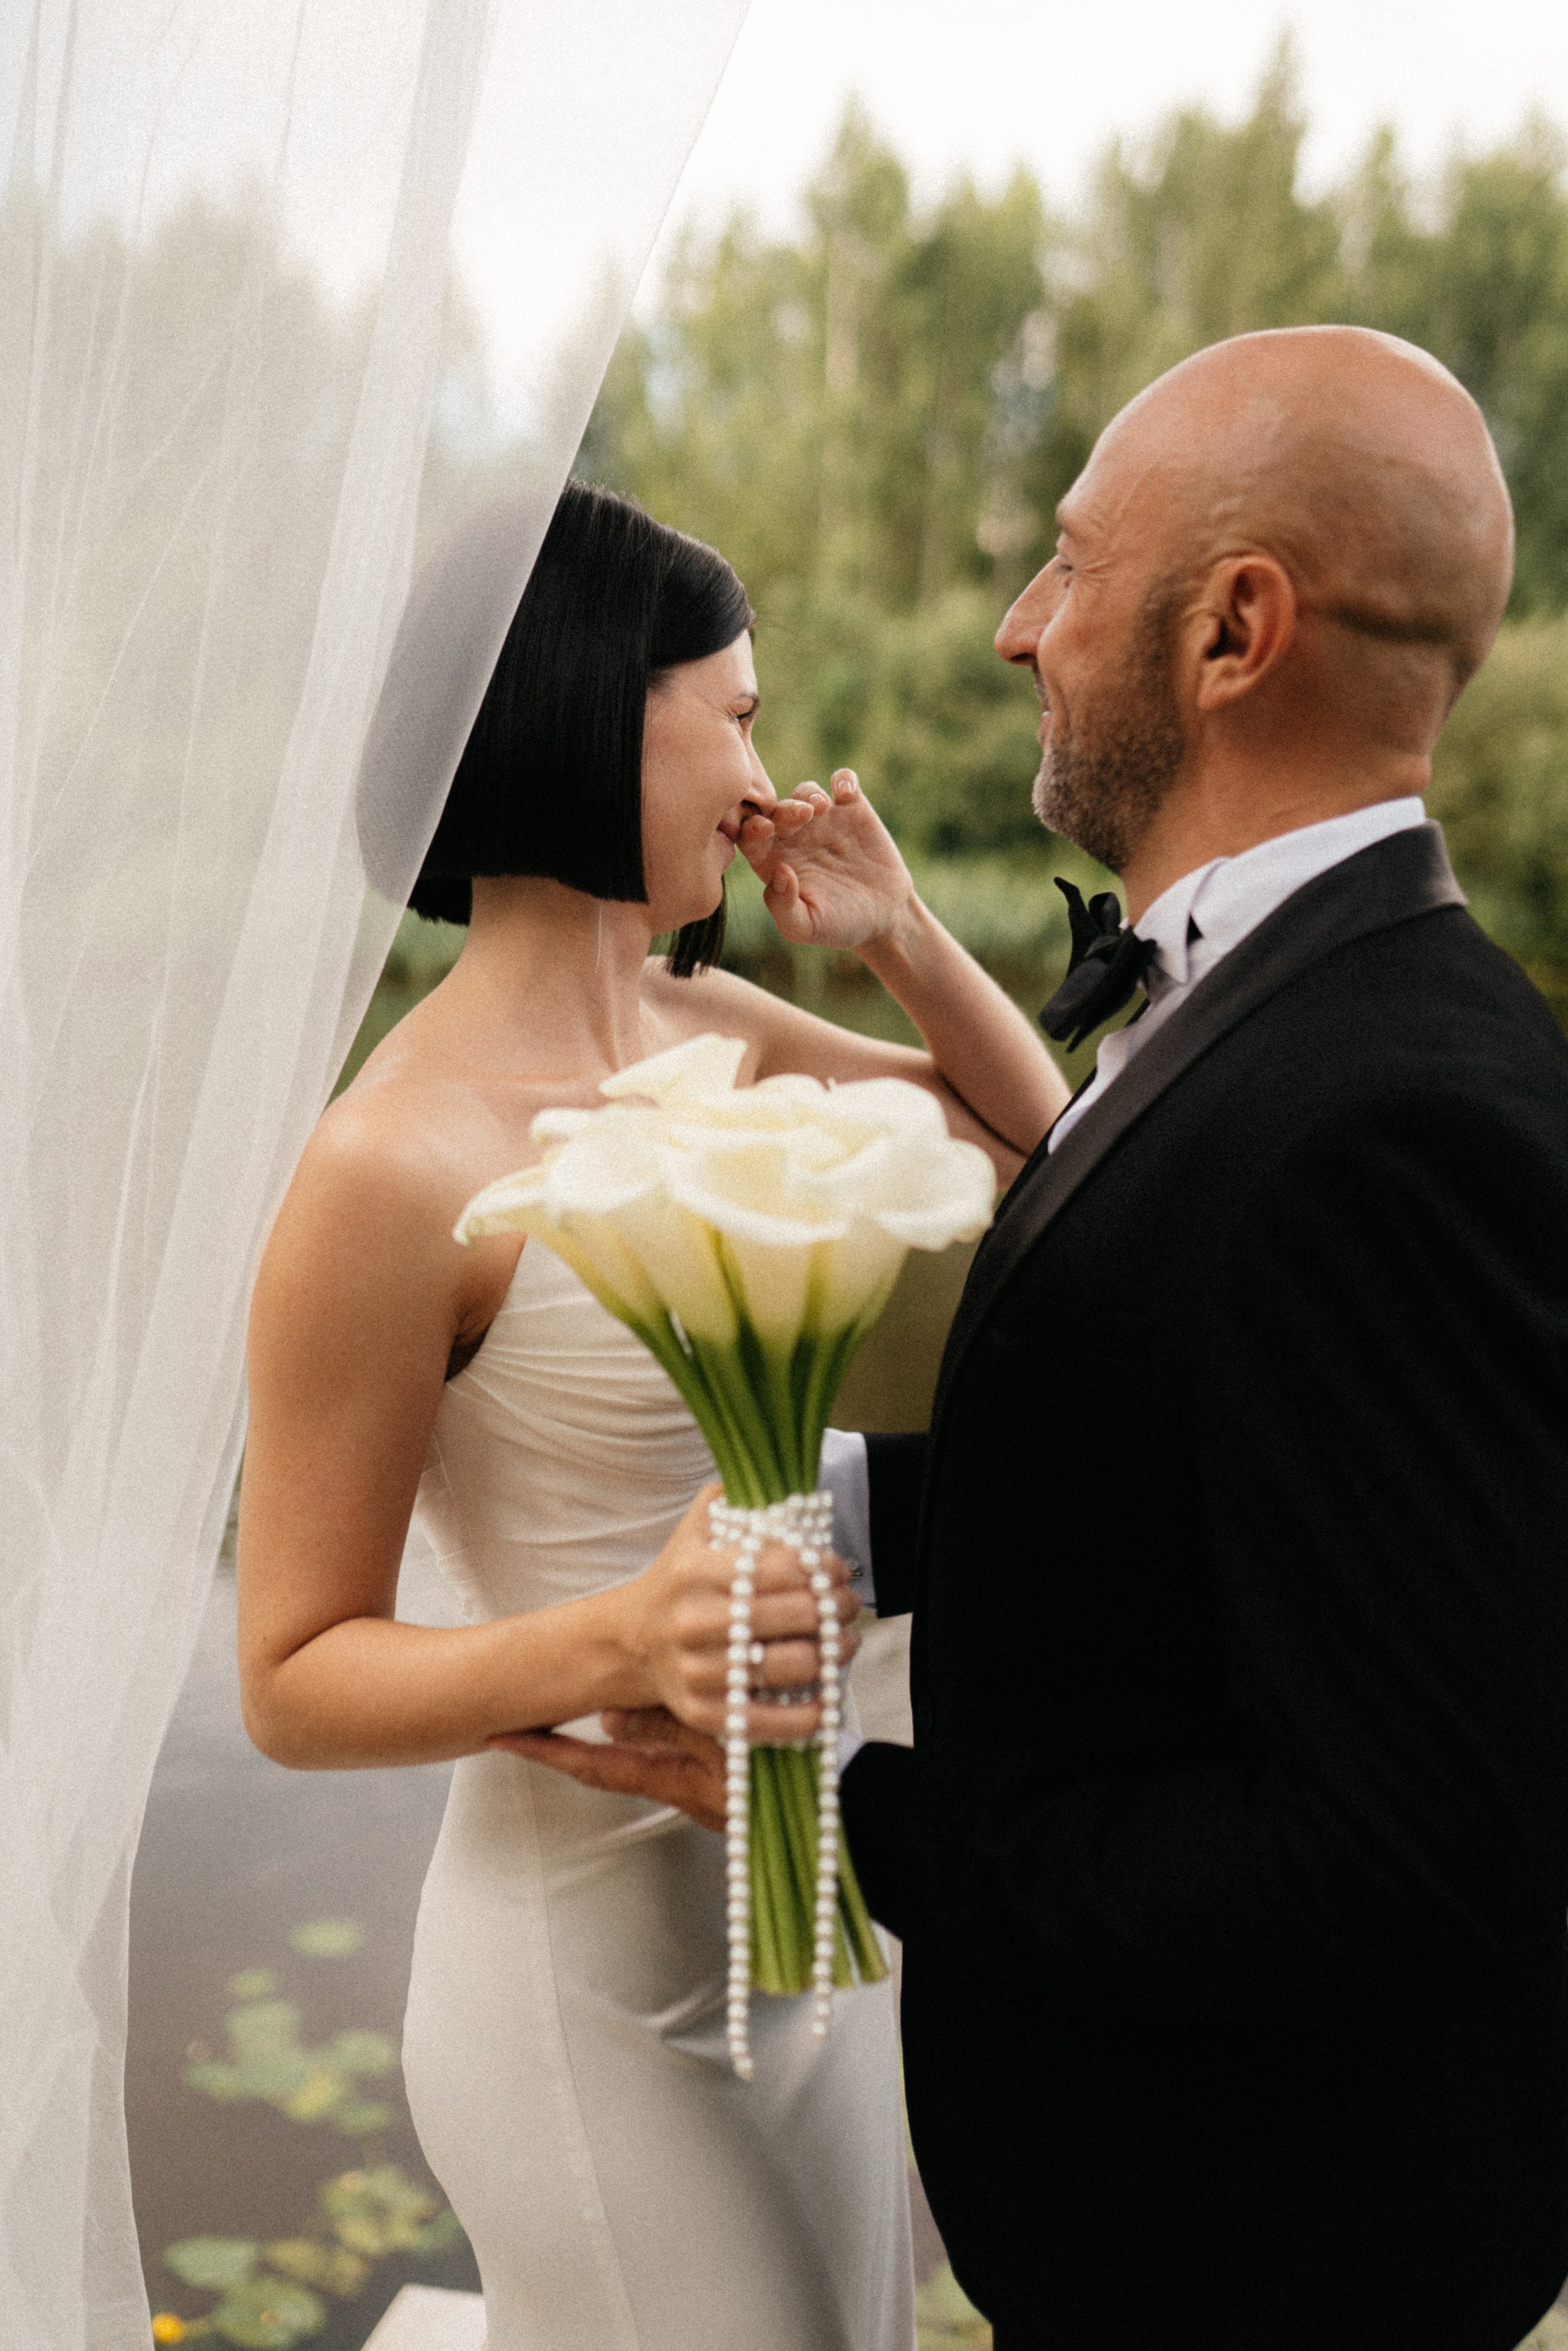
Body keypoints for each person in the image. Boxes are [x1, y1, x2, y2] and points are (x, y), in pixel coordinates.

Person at [539, 329, 1568, 2350]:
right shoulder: (1287, 1003)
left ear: (1233, 630)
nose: (1016, 628)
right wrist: (798, 1508)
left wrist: (859, 1814)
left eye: (1073, 562)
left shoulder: (1402, 1118)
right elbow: (1166, 1445)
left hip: (1268, 2261)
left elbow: (1403, 1852)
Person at [236, 480, 1067, 2351]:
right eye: (740, 713)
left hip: (822, 1917)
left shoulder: (732, 1039)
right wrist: (620, 1634)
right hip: (589, 1981)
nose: (767, 766)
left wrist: (904, 937)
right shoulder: (387, 1163)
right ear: (604, 711)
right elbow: (290, 1673)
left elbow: (1042, 1155)